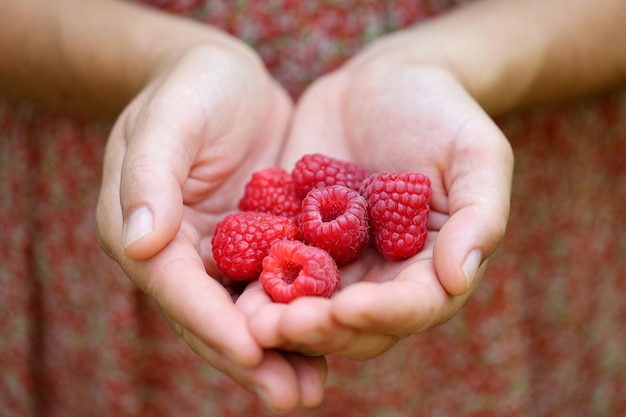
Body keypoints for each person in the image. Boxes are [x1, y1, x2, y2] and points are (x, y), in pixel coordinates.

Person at [1, 0, 625, 415]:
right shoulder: (293, 215)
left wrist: (449, 60)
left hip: (541, 196)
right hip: (116, 169)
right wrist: (164, 62)